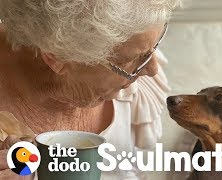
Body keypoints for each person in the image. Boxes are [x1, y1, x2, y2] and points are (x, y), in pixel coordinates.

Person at [0, 0, 181, 179]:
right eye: (133, 59)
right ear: (56, 58)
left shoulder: (137, 66)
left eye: (156, 44)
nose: (152, 69)